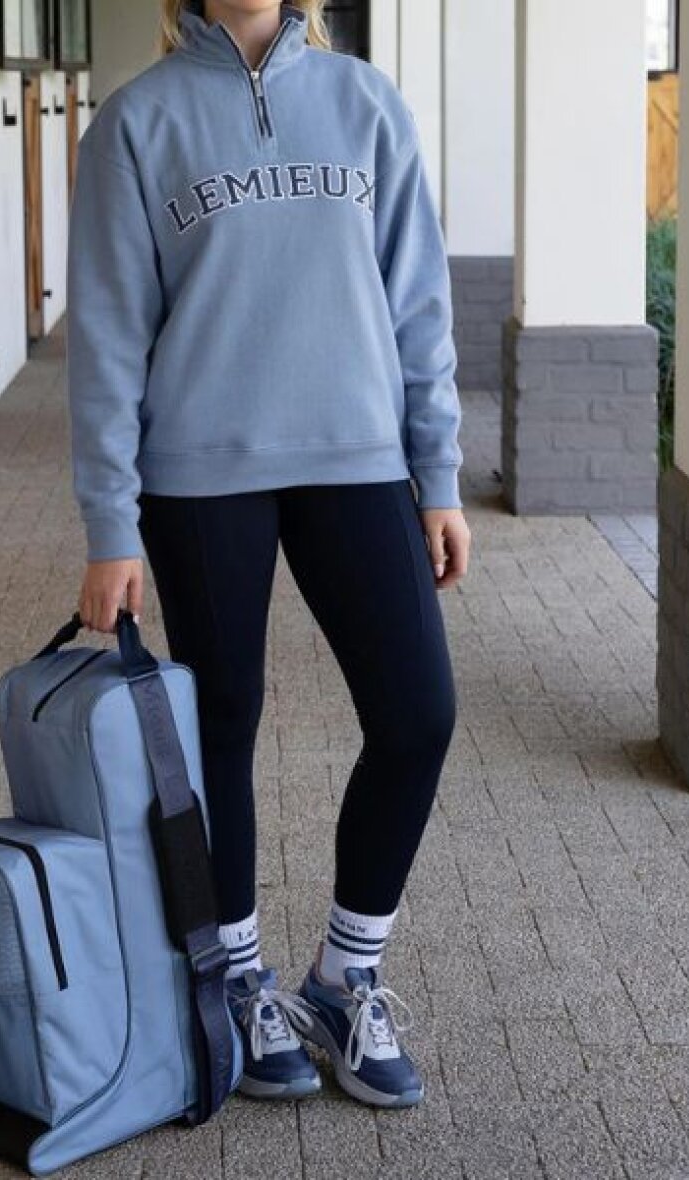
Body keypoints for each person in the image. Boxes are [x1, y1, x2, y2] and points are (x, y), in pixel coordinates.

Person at [65, 0, 471, 1109]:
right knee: (220, 726)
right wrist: (109, 524)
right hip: (199, 473)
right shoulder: (136, 124)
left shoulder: (365, 103)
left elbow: (418, 301)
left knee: (417, 713)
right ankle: (236, 976)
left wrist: (437, 473)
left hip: (358, 457)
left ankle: (344, 977)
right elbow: (106, 334)